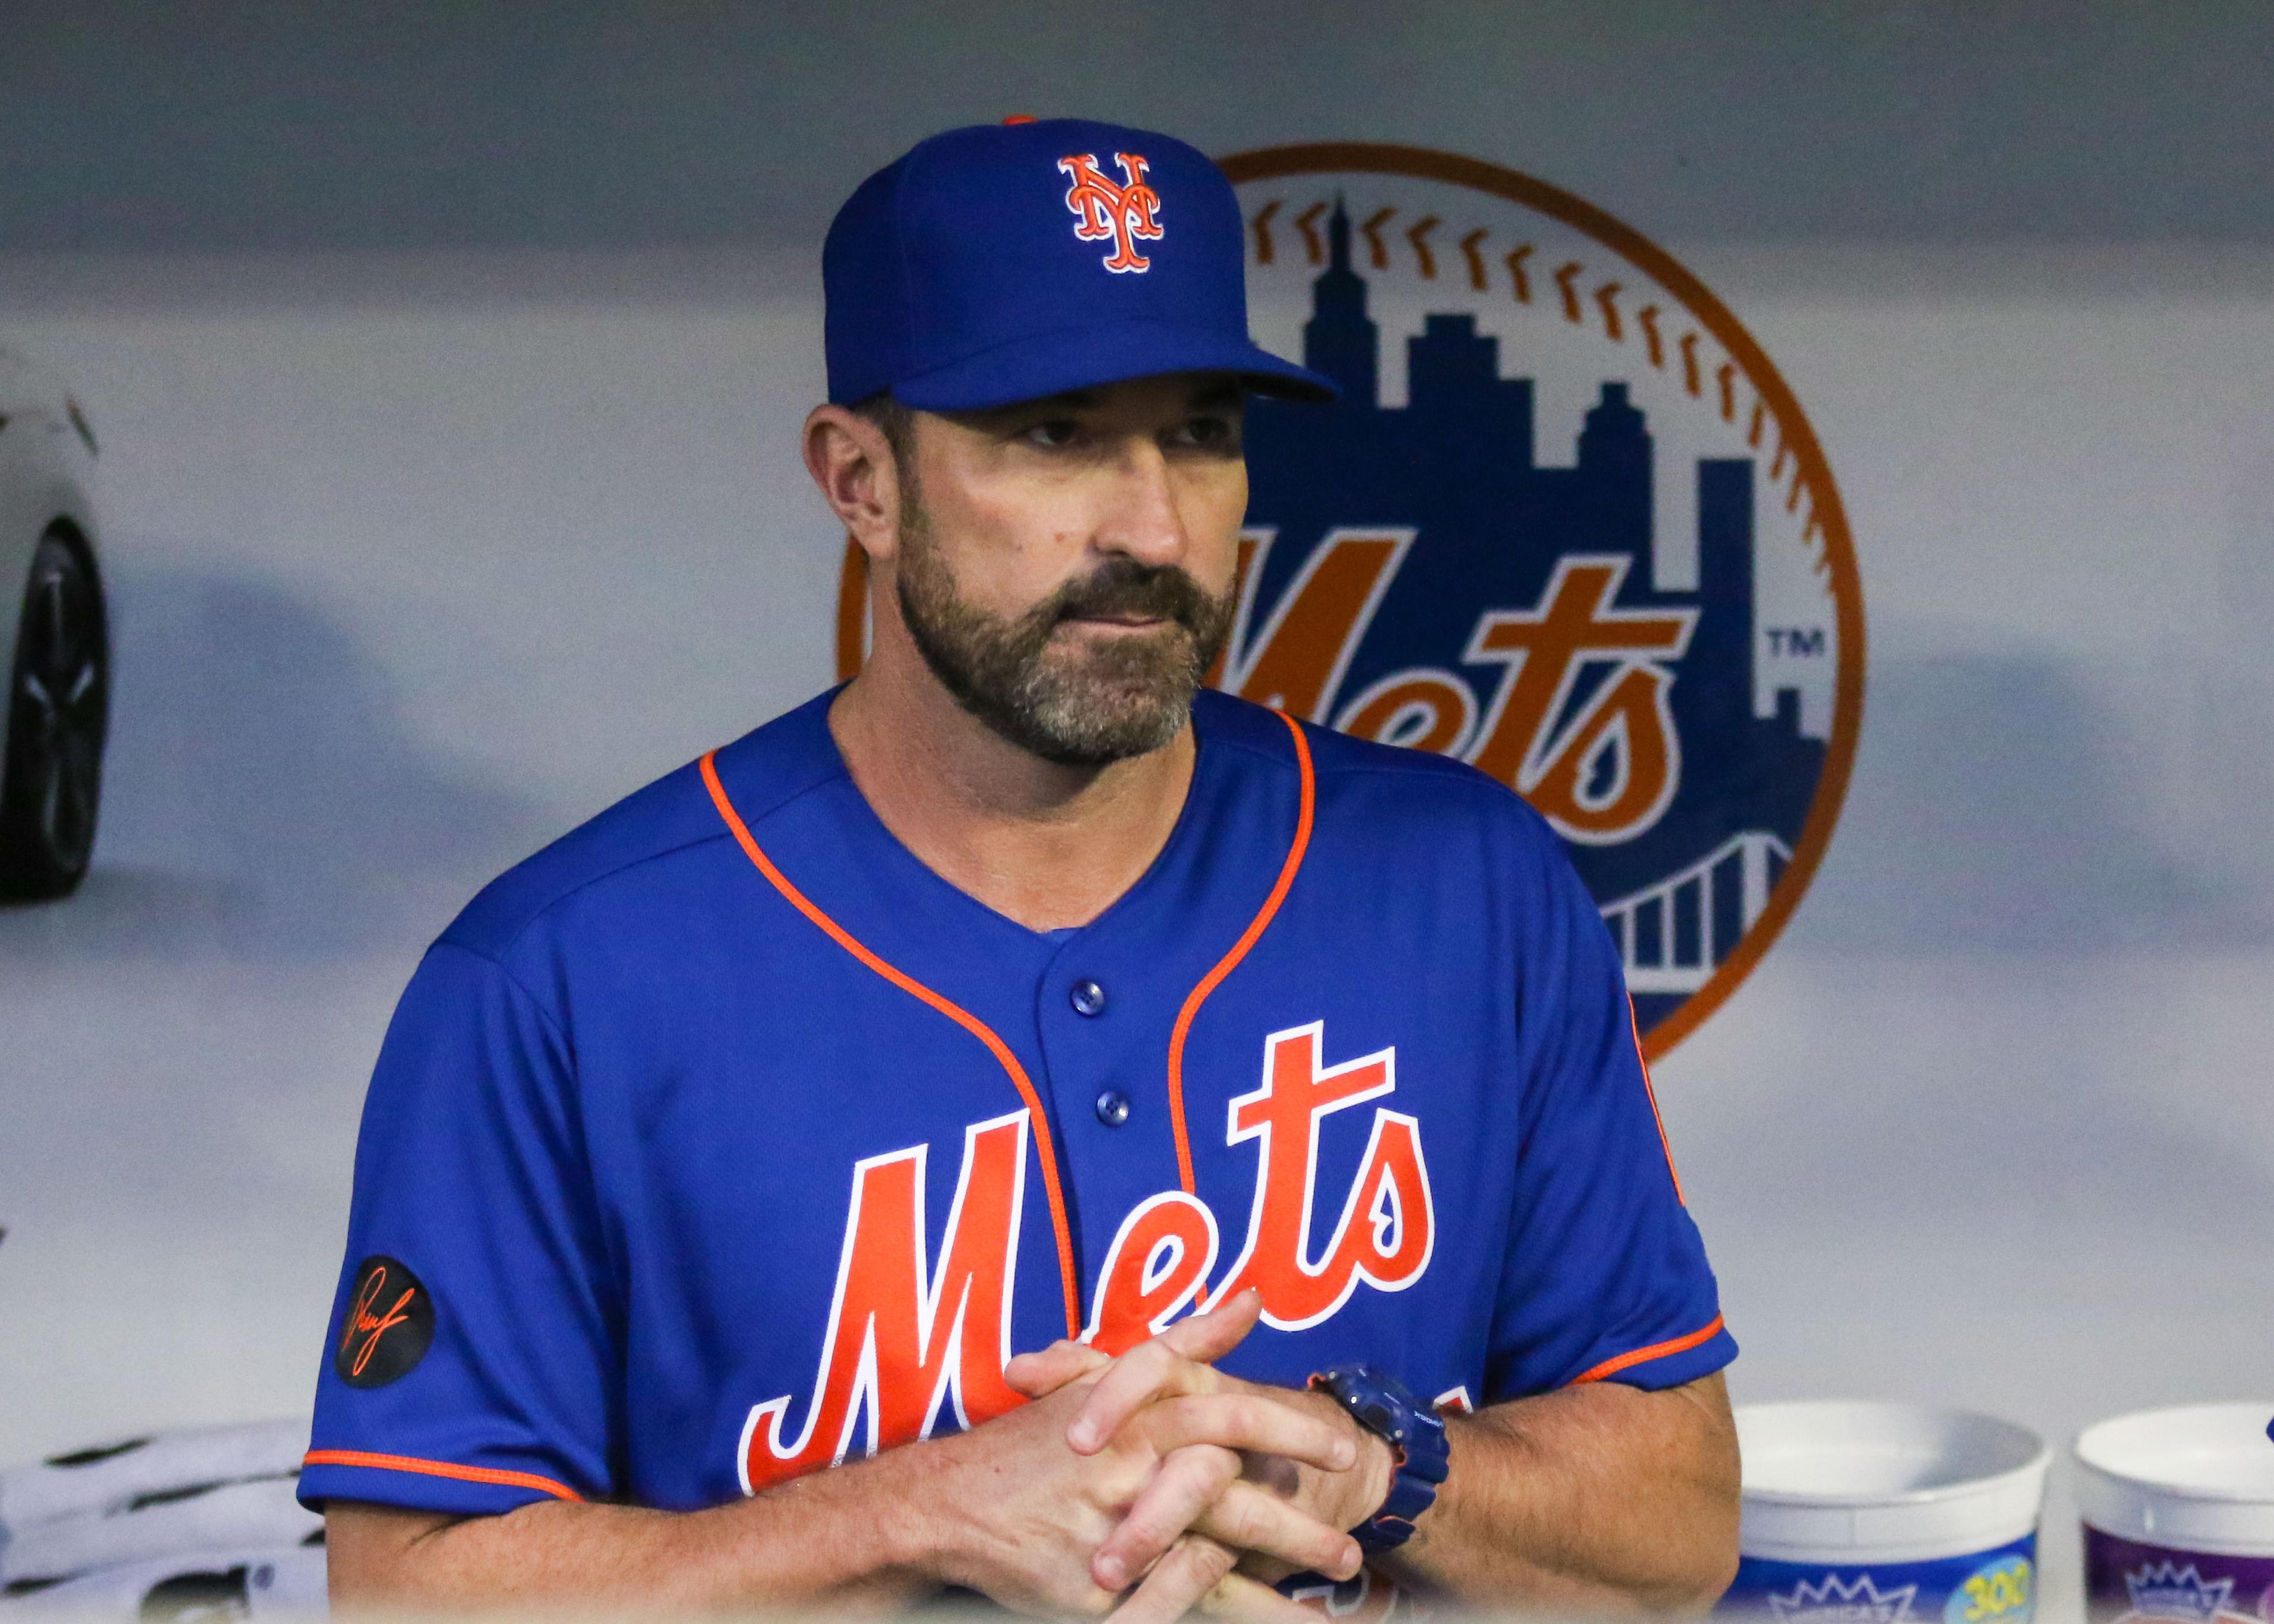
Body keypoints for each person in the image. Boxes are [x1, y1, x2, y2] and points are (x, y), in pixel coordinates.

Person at [306, 117, 1742, 1620]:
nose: (1150, 523)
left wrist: (1360, 1466)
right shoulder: (559, 977)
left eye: (1199, 432)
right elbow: (408, 1596)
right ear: (861, 479)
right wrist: (923, 1515)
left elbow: (1679, 1520)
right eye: (1052, 432)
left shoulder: (1469, 884)